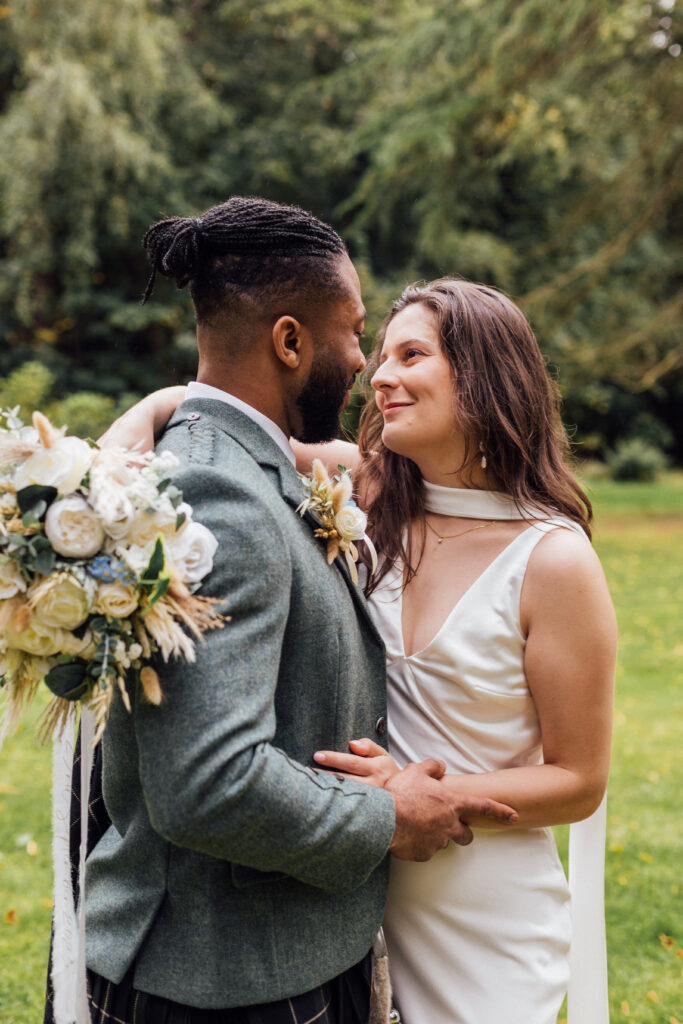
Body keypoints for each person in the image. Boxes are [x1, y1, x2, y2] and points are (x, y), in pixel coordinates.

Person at [66, 200, 516, 1024]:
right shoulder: (219, 496)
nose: (364, 365)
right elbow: (207, 784)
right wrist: (386, 816)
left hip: (279, 953)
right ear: (288, 341)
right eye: (352, 333)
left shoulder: (250, 464)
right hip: (230, 981)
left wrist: (163, 402)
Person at [124, 277, 616, 1024]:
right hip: (341, 894)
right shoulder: (363, 492)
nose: (380, 375)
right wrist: (143, 418)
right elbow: (227, 417)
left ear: (486, 374)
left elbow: (580, 779)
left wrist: (426, 800)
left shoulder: (551, 559)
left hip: (480, 911)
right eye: (380, 355)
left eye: (411, 354)